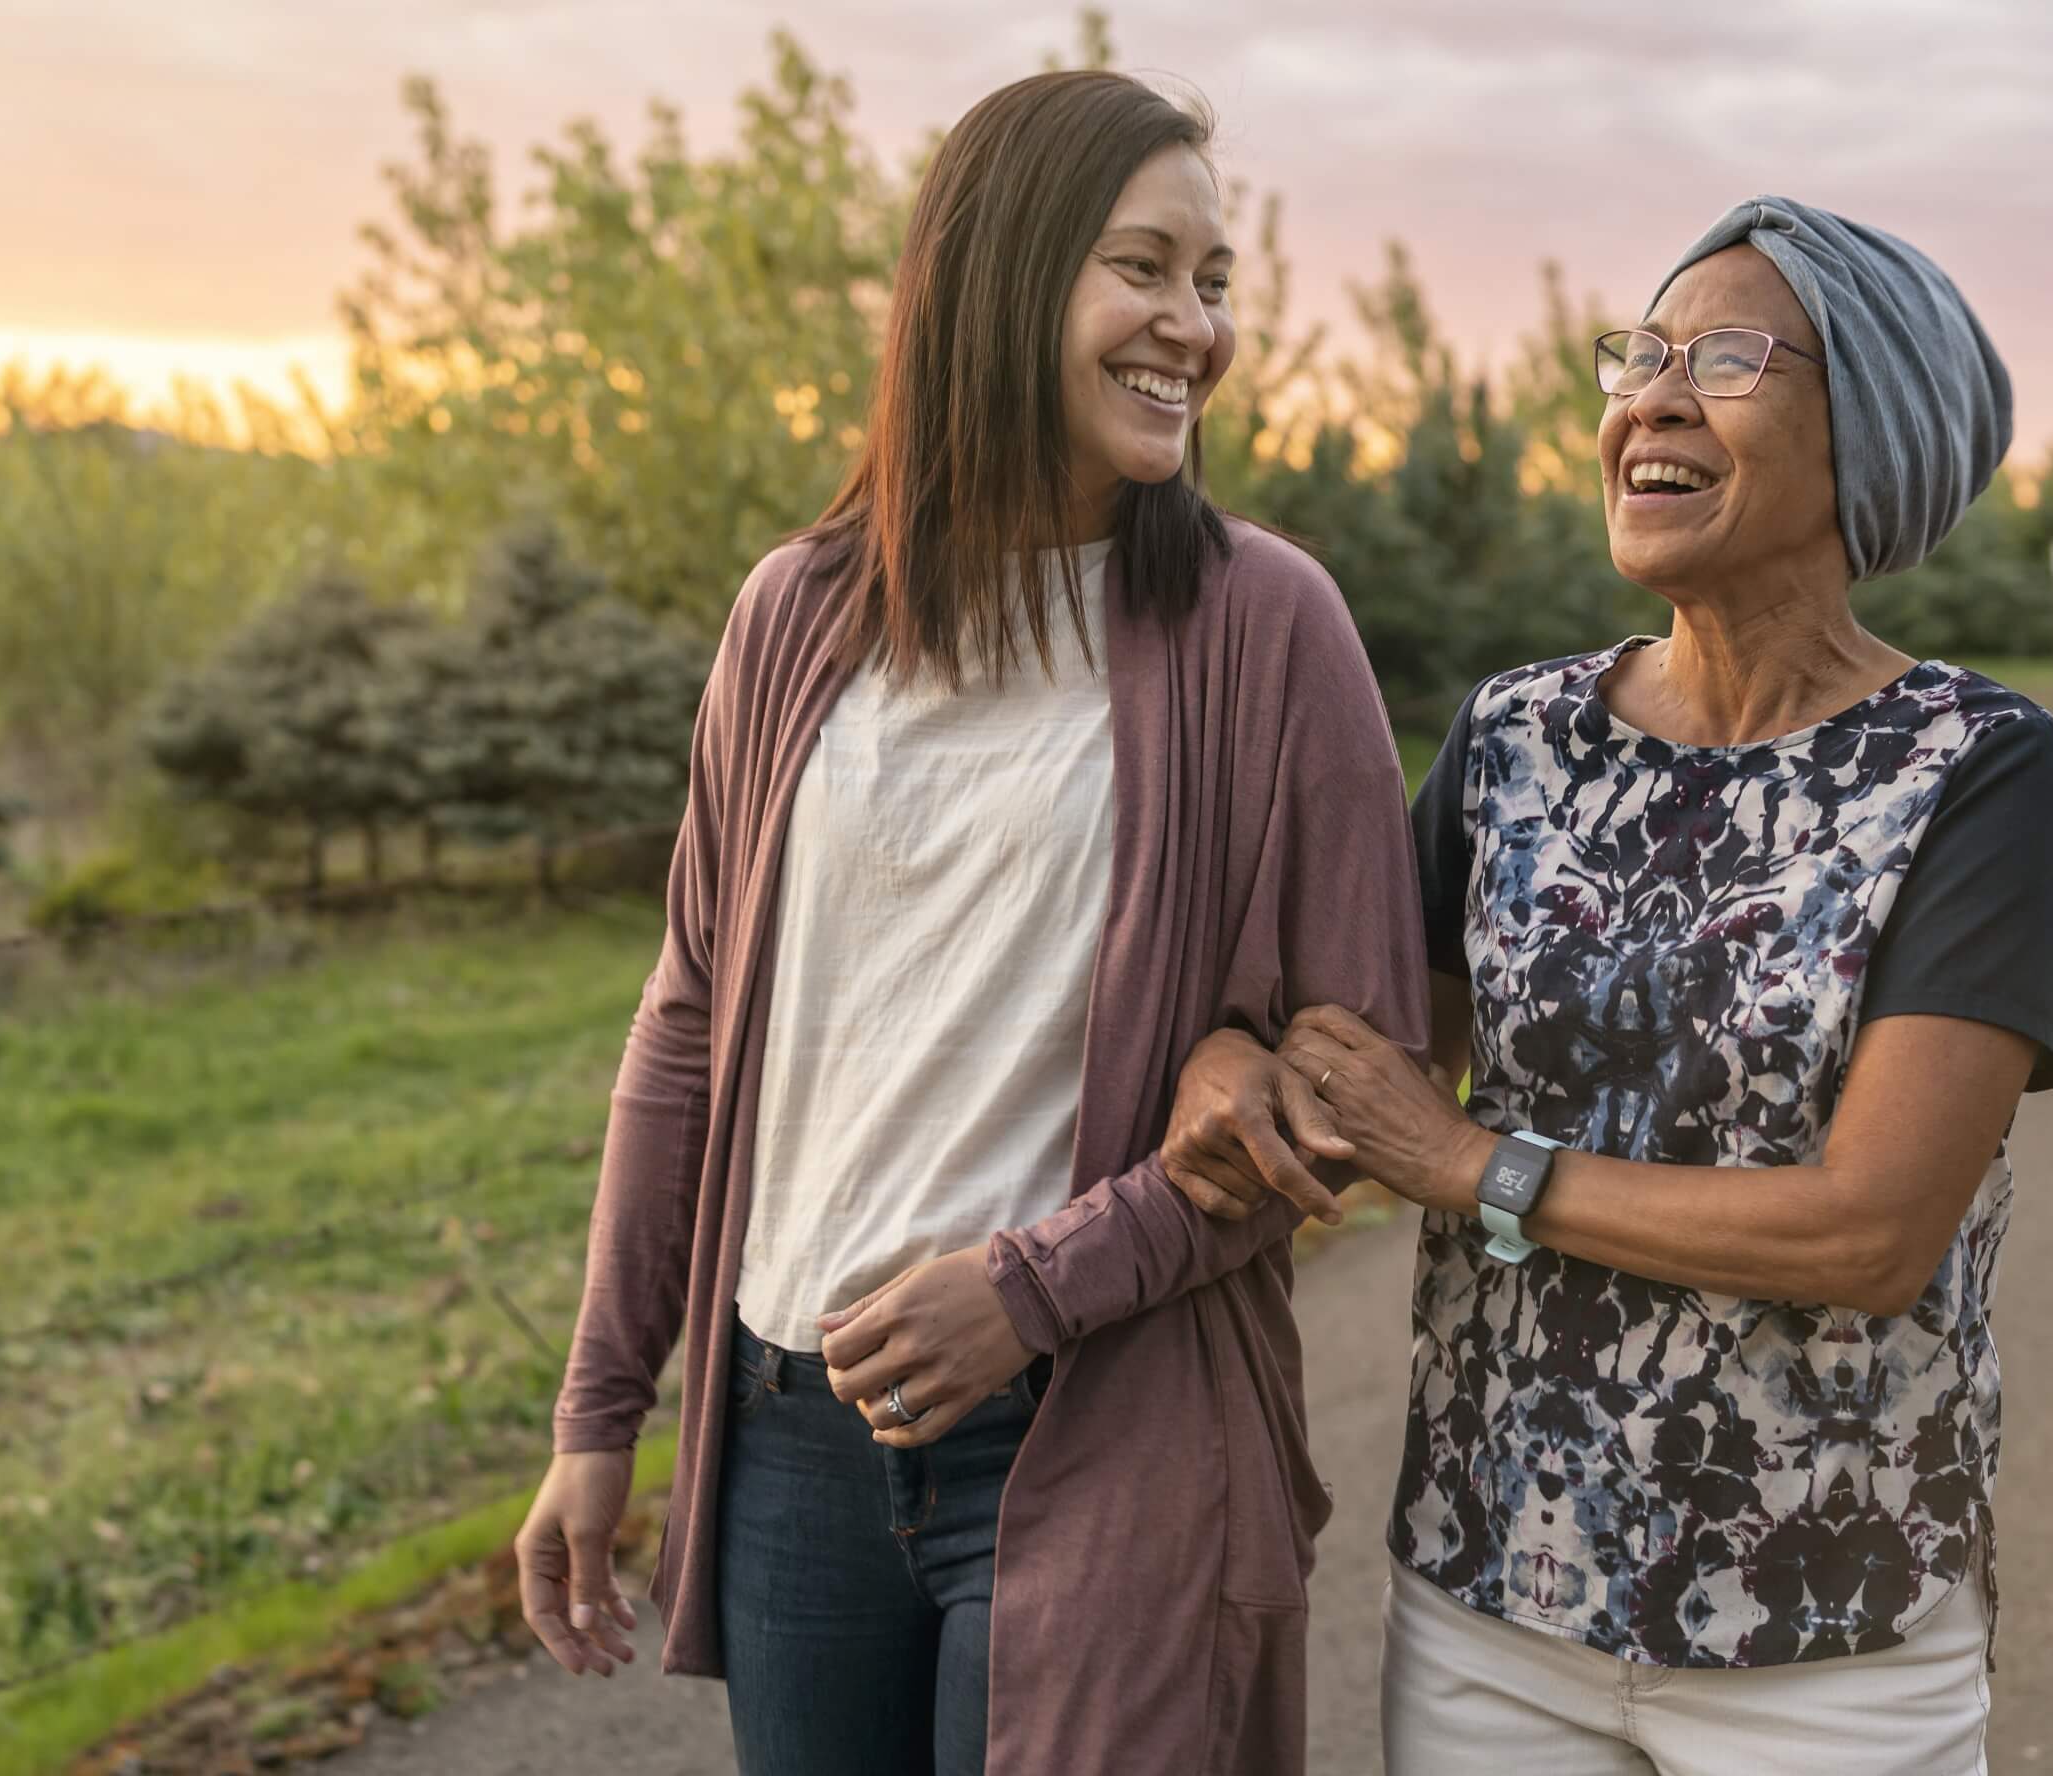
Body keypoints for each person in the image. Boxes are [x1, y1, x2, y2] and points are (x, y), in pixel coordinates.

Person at [512, 70, 1427, 1776]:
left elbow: (1353, 1076)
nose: (1194, 325)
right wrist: (599, 1414)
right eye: (1142, 268)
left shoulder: (1266, 626)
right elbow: (689, 1025)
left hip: (1100, 1418)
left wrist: (1035, 1286)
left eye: (1214, 280)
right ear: (999, 278)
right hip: (793, 1435)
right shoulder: (798, 615)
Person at [1162, 196, 2053, 1775]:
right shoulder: (1517, 738)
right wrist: (1231, 1066)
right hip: (1491, 1605)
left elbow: (1870, 1232)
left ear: (1867, 433)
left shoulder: (1978, 774)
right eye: (1639, 353)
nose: (1649, 395)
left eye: (1725, 356)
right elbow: (1361, 1063)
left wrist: (1474, 1166)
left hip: (1831, 1634)